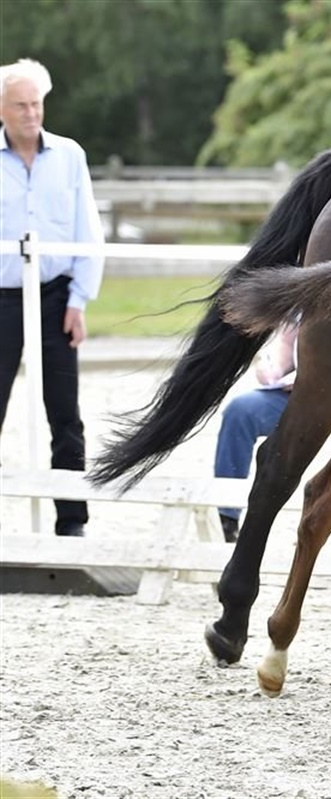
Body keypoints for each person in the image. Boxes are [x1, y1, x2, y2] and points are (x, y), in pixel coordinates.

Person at [0, 58, 105, 537]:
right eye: (20, 105)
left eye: (36, 104)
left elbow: (88, 231)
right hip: (2, 297)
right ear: (3, 109)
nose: (30, 113)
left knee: (65, 415)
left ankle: (72, 522)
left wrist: (79, 300)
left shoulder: (69, 156)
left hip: (56, 297)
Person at [215, 322, 331, 548]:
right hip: (305, 395)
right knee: (240, 410)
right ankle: (227, 517)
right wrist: (273, 370)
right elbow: (285, 344)